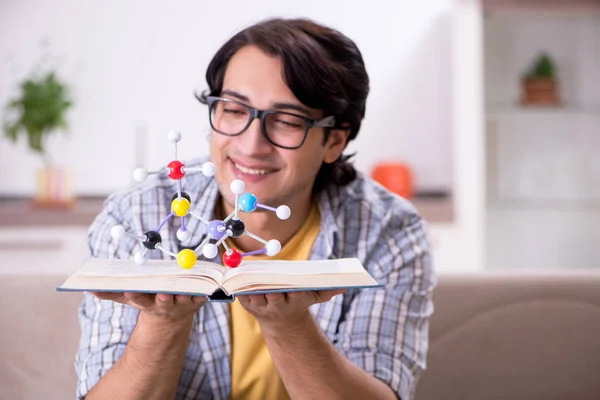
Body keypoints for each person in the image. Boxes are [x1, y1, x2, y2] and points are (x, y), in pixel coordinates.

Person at [75, 17, 435, 400]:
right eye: (233, 109)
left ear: (334, 140)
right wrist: (163, 322)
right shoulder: (138, 215)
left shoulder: (387, 231)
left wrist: (289, 324)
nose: (251, 145)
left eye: (286, 121)